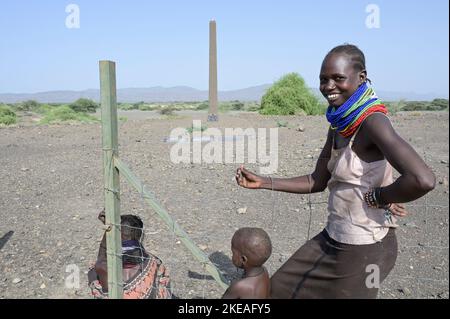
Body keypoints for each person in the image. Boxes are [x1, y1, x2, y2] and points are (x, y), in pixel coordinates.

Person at [235, 44, 436, 299]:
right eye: (323, 79)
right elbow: (317, 180)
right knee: (276, 290)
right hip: (333, 237)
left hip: (365, 249)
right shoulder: (340, 124)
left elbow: (423, 179)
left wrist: (382, 197)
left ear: (361, 77)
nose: (329, 86)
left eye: (338, 78)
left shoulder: (373, 122)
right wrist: (264, 182)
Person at [87, 210, 173, 299]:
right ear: (139, 236)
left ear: (114, 238)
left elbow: (101, 261)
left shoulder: (105, 268)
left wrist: (107, 230)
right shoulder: (154, 263)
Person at [222, 227, 271, 299]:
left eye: (233, 253)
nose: (232, 255)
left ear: (243, 259)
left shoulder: (239, 287)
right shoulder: (264, 271)